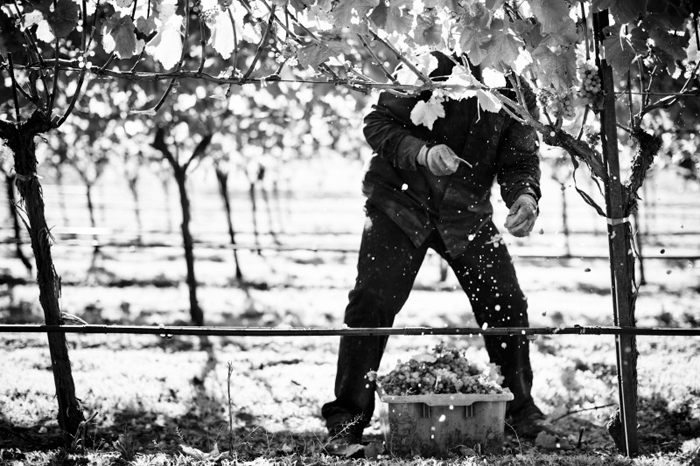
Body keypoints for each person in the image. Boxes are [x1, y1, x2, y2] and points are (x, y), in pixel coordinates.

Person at [321, 52, 550, 454]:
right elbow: (377, 124)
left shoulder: (515, 78)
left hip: (466, 214)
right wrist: (423, 153)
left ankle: (519, 410)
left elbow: (519, 159)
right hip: (399, 205)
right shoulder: (427, 57)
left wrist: (526, 197)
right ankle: (348, 422)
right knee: (371, 302)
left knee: (507, 302)